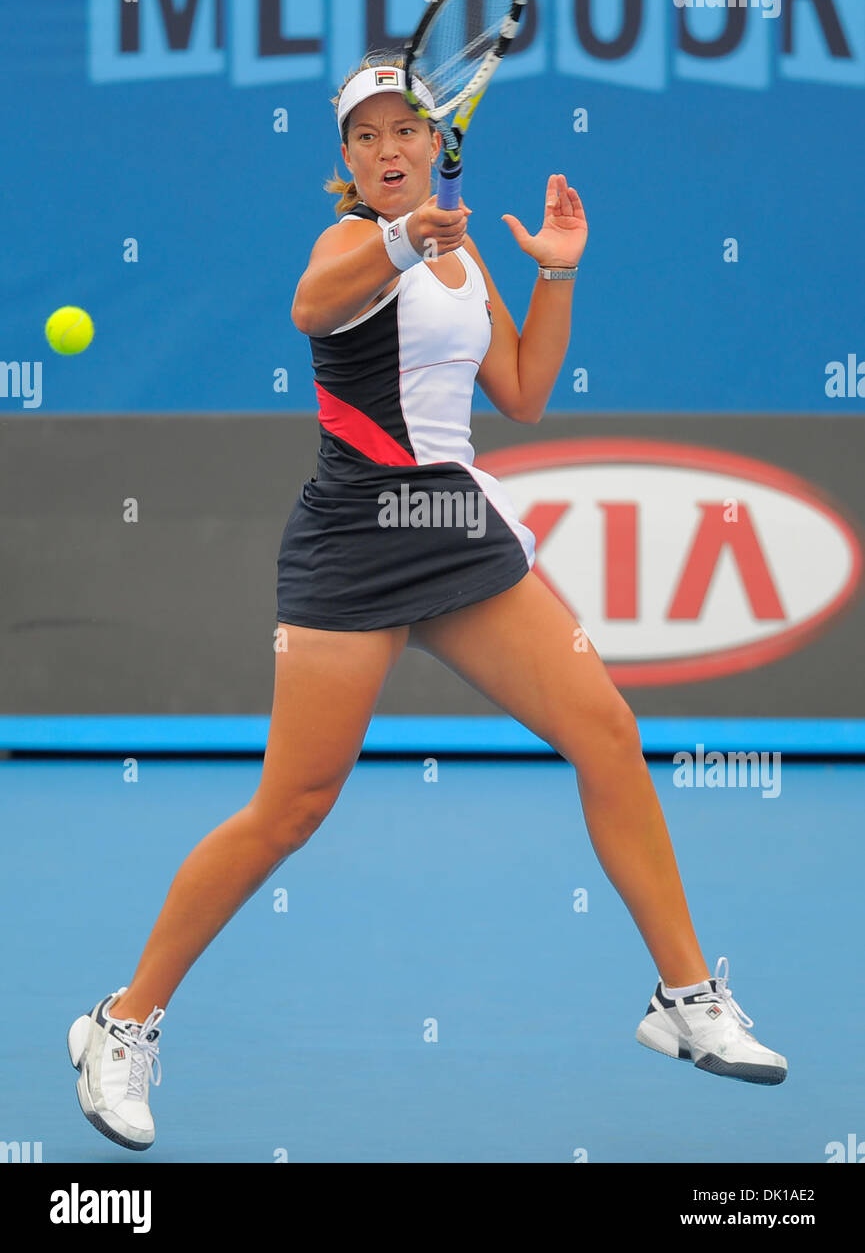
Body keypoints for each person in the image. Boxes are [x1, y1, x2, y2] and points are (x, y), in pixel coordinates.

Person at [67, 55, 786, 1152]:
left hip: (451, 529)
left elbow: (525, 393)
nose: (387, 149)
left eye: (405, 129)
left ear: (435, 141)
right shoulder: (353, 243)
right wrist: (409, 238)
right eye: (365, 137)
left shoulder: (462, 252)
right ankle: (121, 1023)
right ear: (346, 160)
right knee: (292, 809)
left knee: (608, 735)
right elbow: (311, 306)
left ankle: (685, 1000)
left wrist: (555, 273)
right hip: (355, 539)